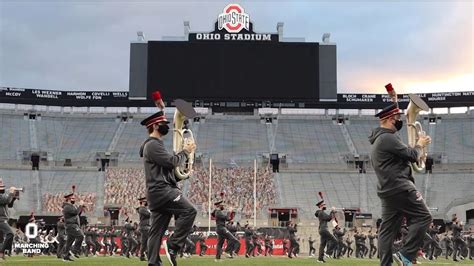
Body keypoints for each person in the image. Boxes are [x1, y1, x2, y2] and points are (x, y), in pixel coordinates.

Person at [369, 102, 432, 266]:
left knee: (387, 231)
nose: (400, 121)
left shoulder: (379, 140)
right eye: (397, 118)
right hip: (400, 186)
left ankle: (386, 264)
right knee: (424, 217)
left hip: (388, 190)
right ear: (390, 119)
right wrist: (420, 144)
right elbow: (412, 155)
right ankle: (405, 255)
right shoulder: (387, 138)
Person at [140, 108, 197, 266]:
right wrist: (185, 152)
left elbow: (169, 172)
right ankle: (173, 245)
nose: (167, 126)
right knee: (190, 211)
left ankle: (153, 263)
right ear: (156, 126)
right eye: (164, 123)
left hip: (158, 193)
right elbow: (171, 162)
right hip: (162, 191)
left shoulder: (154, 145)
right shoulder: (152, 145)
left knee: (156, 231)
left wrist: (182, 174)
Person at [62, 192, 85, 261]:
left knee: (69, 242)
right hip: (71, 225)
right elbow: (75, 212)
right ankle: (74, 251)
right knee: (81, 236)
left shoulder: (70, 206)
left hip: (71, 225)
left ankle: (65, 256)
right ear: (68, 199)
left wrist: (81, 207)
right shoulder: (67, 207)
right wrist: (80, 205)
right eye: (72, 198)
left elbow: (77, 214)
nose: (74, 200)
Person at [0, 180, 16, 260]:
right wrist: (11, 193)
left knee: (1, 239)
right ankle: (2, 252)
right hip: (1, 219)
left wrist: (14, 197)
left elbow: (9, 205)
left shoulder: (2, 195)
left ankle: (3, 252)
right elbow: (6, 200)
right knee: (10, 234)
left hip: (2, 218)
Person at [137, 196, 151, 261]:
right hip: (144, 227)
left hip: (145, 227)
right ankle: (148, 255)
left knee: (144, 243)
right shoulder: (142, 209)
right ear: (142, 202)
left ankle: (142, 256)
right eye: (145, 201)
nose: (147, 203)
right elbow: (149, 214)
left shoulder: (143, 208)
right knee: (148, 242)